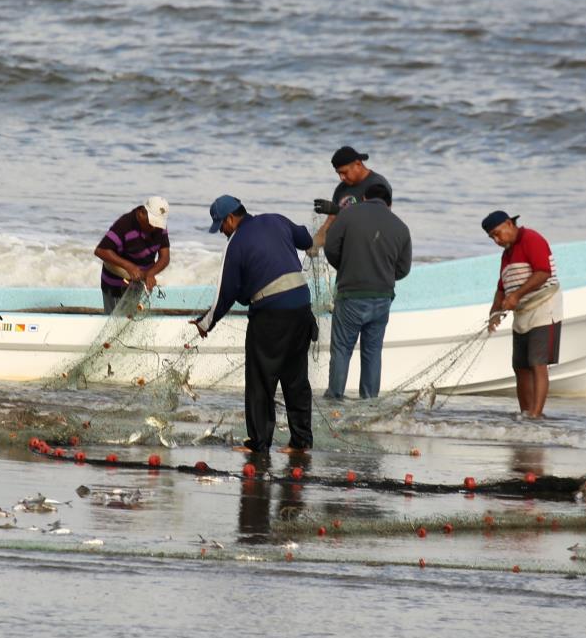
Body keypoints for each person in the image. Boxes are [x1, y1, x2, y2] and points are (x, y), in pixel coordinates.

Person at [191, 195, 315, 454]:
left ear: (231, 219)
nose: (223, 233)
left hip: (271, 315)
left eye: (221, 226)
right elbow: (306, 239)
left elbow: (226, 292)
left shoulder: (236, 243)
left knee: (260, 379)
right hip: (302, 308)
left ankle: (259, 443)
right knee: (296, 378)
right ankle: (300, 442)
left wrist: (206, 323)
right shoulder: (276, 220)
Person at [323, 182, 412, 398]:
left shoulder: (347, 215)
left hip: (350, 295)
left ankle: (335, 399)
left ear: (364, 198)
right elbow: (403, 269)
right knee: (372, 353)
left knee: (342, 351)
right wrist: (384, 276)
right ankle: (369, 402)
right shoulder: (400, 226)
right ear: (389, 204)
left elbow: (330, 248)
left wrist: (345, 267)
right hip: (382, 298)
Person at [484, 210, 563, 418]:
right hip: (522, 313)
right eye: (492, 237)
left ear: (509, 224)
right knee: (520, 367)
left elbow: (543, 272)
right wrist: (494, 312)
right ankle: (525, 414)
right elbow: (502, 288)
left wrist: (517, 295)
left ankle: (535, 415)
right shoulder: (506, 254)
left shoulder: (531, 239)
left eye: (497, 233)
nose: (496, 240)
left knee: (538, 363)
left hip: (544, 307)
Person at [94, 197, 171, 314]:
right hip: (115, 285)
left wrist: (151, 273)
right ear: (142, 213)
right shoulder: (124, 225)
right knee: (115, 321)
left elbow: (165, 258)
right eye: (152, 223)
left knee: (132, 318)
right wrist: (129, 266)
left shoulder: (160, 228)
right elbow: (101, 250)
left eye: (157, 224)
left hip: (139, 284)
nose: (154, 227)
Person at [311, 145, 394, 254]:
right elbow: (333, 218)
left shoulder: (377, 185)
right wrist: (319, 237)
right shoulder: (341, 188)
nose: (341, 177)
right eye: (338, 173)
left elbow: (375, 218)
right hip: (348, 251)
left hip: (372, 250)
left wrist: (337, 210)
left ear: (358, 164)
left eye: (344, 172)